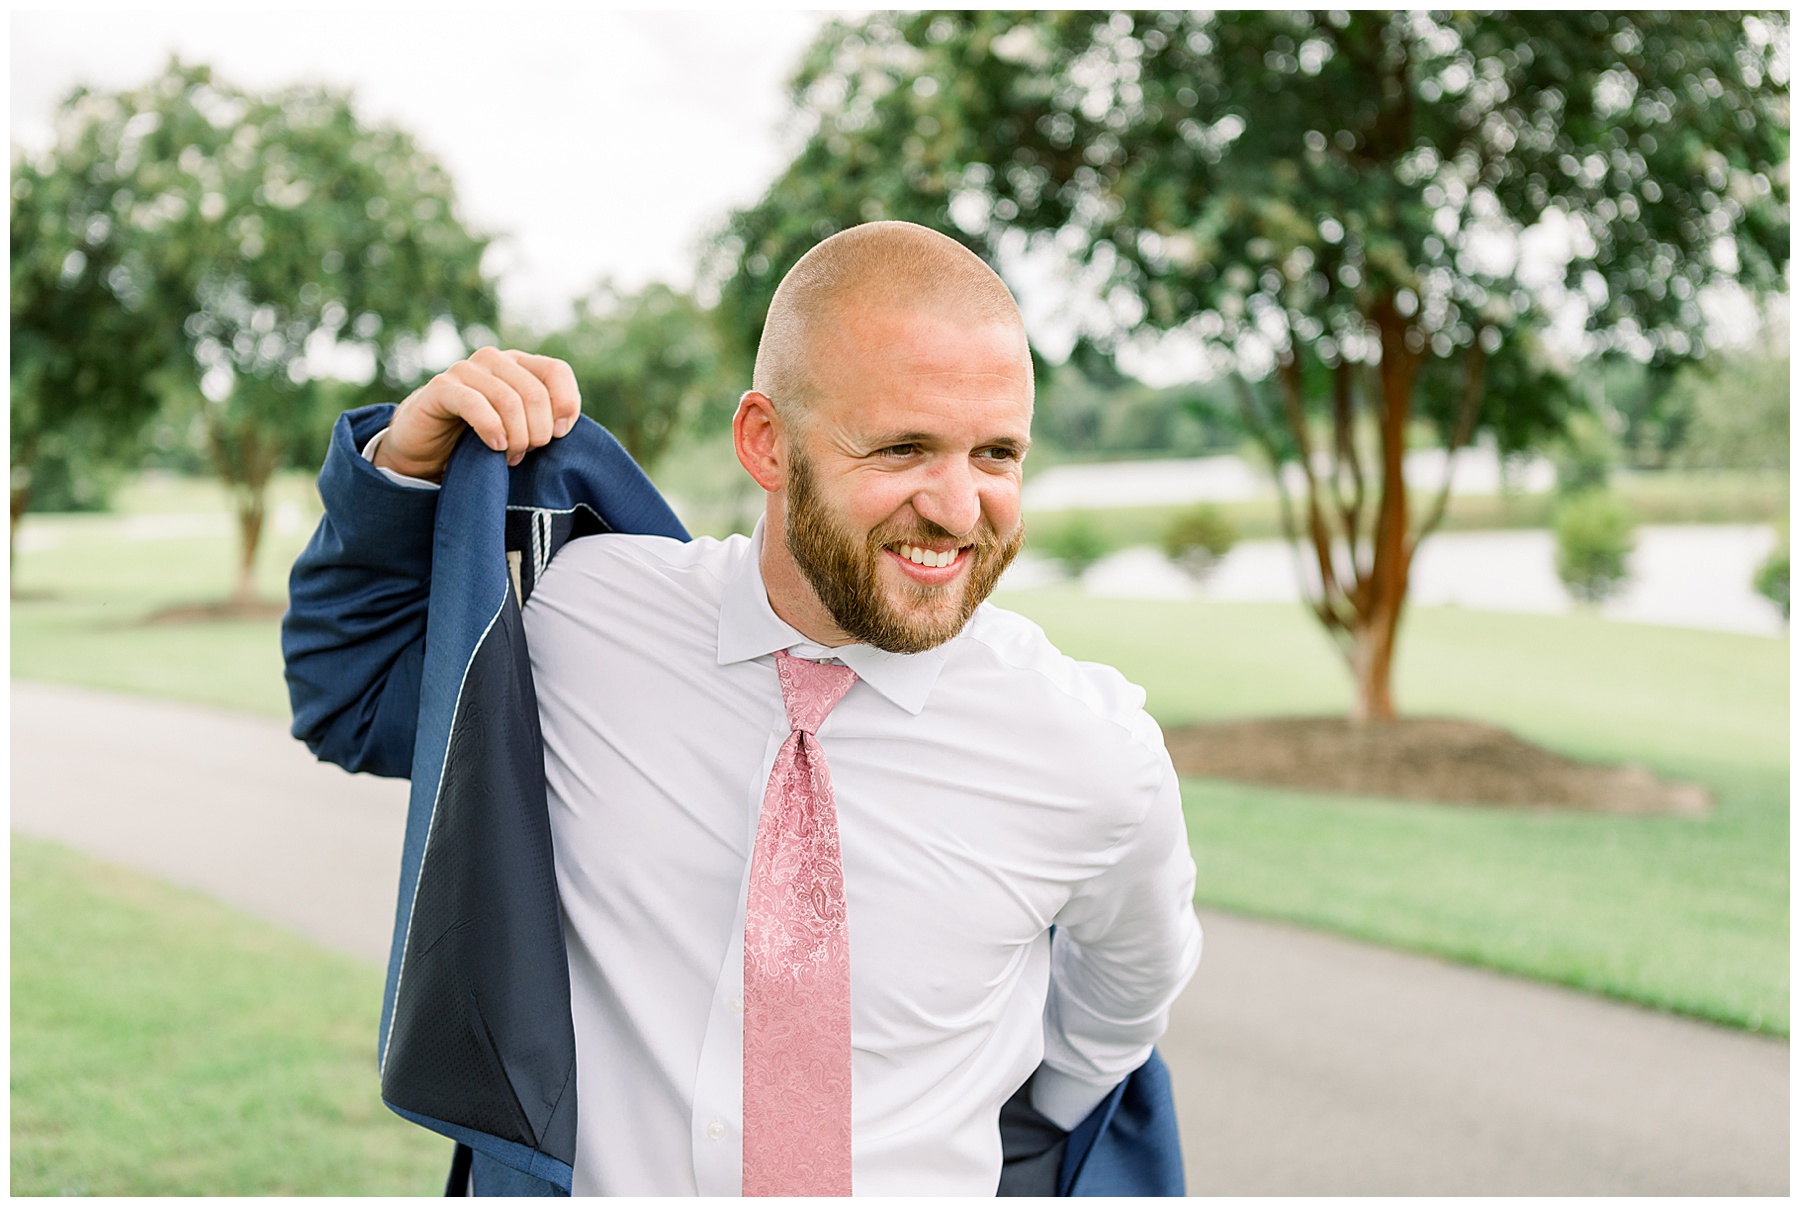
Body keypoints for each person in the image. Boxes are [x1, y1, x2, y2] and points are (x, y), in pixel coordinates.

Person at [292, 221, 1201, 1195]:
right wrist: (402, 464)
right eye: (903, 448)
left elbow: (1108, 1025)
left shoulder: (1096, 756)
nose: (958, 507)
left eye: (996, 454)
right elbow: (349, 695)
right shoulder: (578, 612)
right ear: (765, 442)